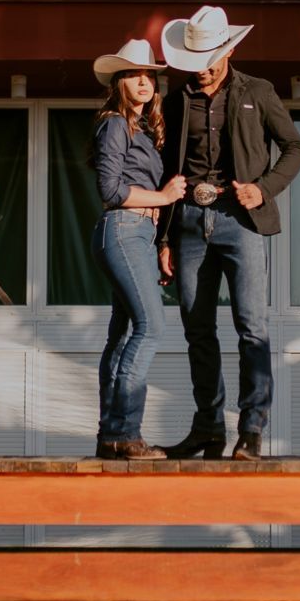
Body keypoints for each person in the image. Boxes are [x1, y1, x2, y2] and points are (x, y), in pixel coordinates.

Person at [159, 6, 300, 459]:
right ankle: (208, 428)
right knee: (196, 330)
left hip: (240, 221)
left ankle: (252, 430)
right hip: (186, 221)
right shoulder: (176, 96)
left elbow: (295, 148)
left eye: (208, 58)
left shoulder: (257, 92)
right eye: (194, 60)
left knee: (252, 327)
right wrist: (163, 237)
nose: (200, 70)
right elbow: (167, 167)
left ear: (229, 50)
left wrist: (262, 191)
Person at [90, 38, 187, 459]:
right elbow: (109, 189)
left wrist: (162, 240)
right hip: (124, 230)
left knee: (124, 332)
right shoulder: (115, 124)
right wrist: (164, 197)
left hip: (139, 236)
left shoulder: (140, 130)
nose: (145, 82)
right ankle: (126, 433)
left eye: (150, 76)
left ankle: (111, 435)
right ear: (119, 83)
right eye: (135, 75)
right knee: (151, 326)